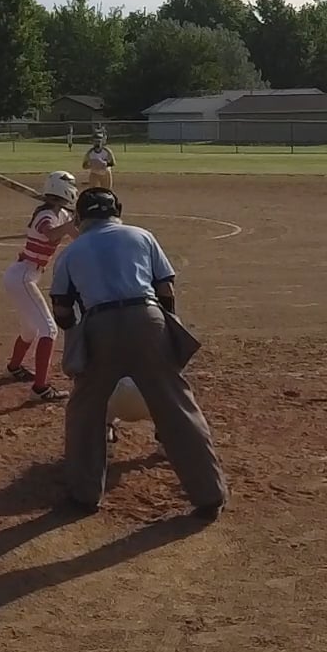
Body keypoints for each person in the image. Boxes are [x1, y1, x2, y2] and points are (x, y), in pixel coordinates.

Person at [50, 187, 226, 519]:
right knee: (177, 404)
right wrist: (164, 331)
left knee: (86, 410)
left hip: (99, 325)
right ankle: (209, 494)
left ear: (80, 217)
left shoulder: (71, 252)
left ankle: (85, 494)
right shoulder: (142, 236)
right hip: (148, 318)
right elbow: (165, 289)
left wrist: (78, 334)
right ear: (117, 210)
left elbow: (61, 309)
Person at [3, 172, 80, 402]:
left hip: (23, 276)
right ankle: (40, 389)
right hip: (23, 277)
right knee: (49, 330)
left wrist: (80, 221)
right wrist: (69, 224)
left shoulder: (60, 213)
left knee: (30, 330)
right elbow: (50, 233)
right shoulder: (45, 214)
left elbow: (77, 236)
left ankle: (13, 368)